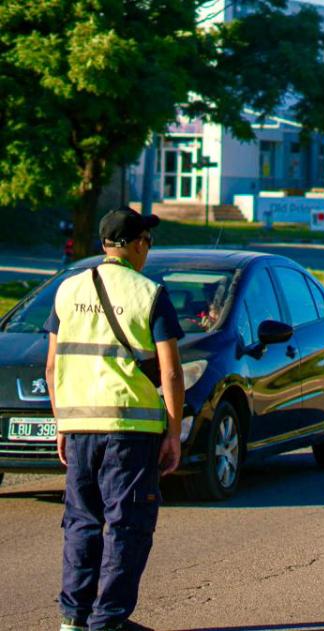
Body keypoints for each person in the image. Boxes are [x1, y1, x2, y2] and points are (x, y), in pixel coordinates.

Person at [46, 208, 185, 631]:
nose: (149, 250)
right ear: (139, 243)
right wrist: (174, 432)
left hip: (80, 427)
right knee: (127, 524)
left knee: (81, 522)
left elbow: (52, 368)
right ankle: (108, 621)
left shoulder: (67, 290)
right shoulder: (149, 293)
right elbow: (172, 372)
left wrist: (62, 423)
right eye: (148, 242)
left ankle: (74, 618)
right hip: (131, 430)